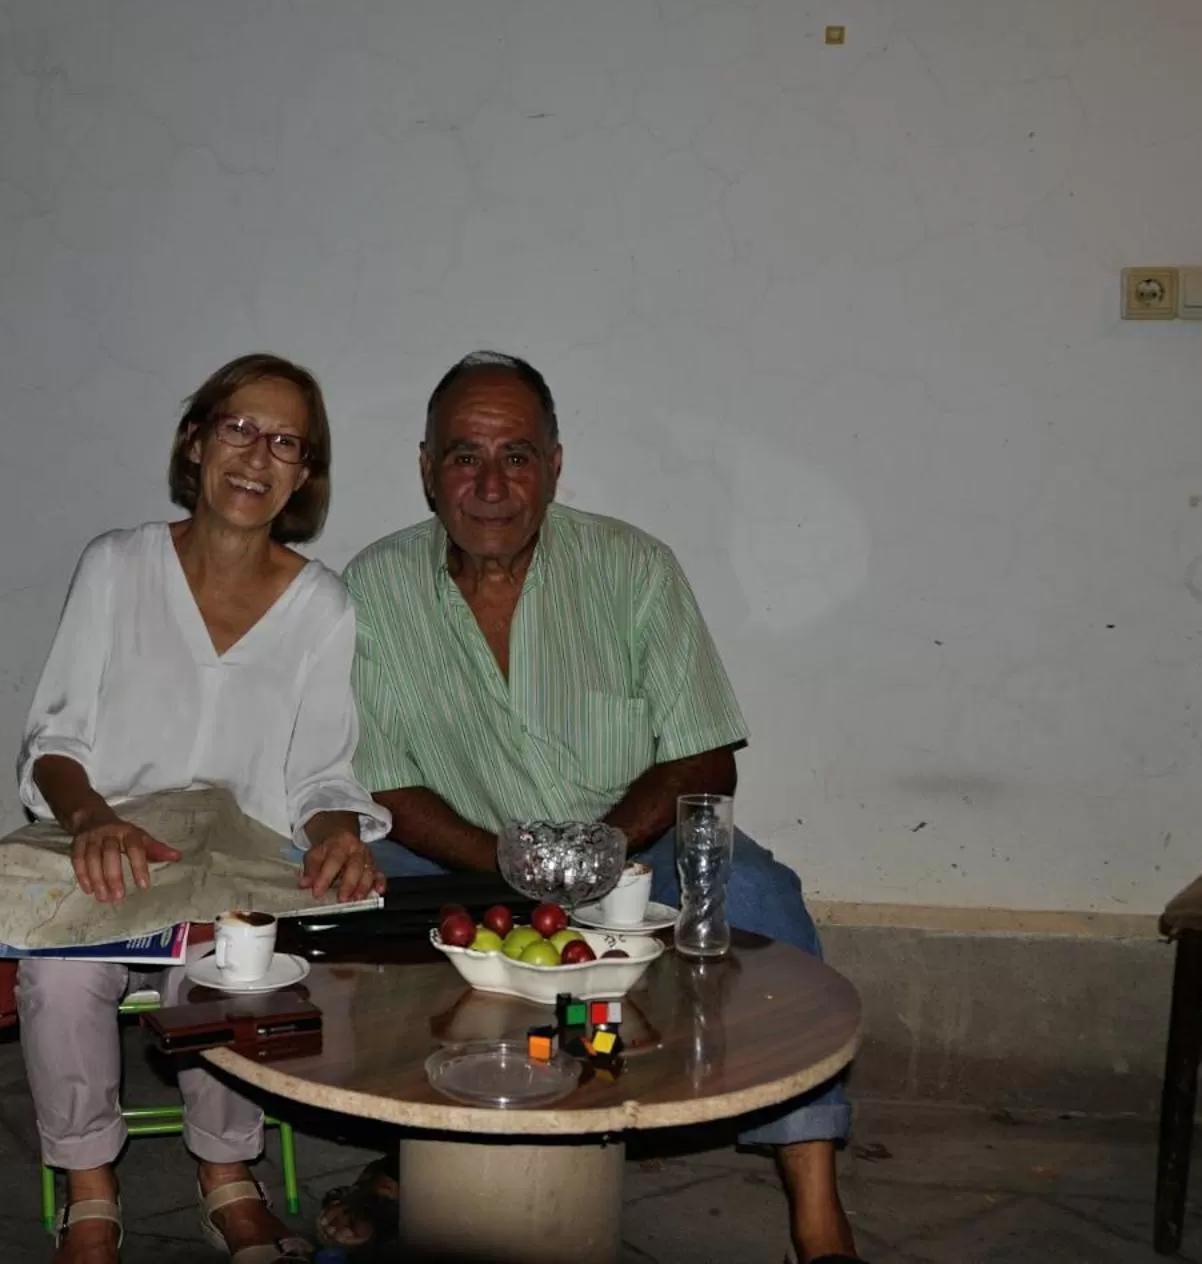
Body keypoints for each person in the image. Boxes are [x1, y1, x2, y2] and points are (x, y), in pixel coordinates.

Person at [319, 351, 865, 1264]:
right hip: (458, 847)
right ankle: (414, 1145)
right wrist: (508, 864)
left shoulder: (634, 568)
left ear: (555, 465)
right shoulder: (371, 589)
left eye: (517, 457)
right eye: (464, 457)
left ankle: (817, 1213)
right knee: (344, 905)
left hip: (629, 845)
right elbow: (382, 784)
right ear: (425, 467)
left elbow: (705, 756)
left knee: (766, 898)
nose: (491, 485)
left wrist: (601, 850)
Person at [14, 354, 389, 1264]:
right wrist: (94, 819)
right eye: (237, 428)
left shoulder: (321, 607)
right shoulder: (117, 566)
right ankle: (90, 1192)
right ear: (196, 441)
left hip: (236, 867)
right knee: (58, 977)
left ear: (304, 474)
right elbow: (53, 740)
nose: (257, 454)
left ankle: (228, 1172)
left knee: (242, 970)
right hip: (112, 846)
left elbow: (319, 773)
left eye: (286, 441)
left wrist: (337, 832)